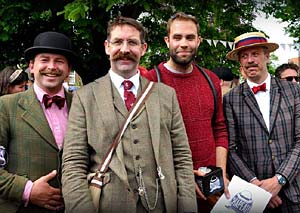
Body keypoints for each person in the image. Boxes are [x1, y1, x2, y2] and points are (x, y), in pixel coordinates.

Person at [61, 16, 197, 213]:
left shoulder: (166, 95)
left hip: (161, 205)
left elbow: (182, 158)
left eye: (132, 42)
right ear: (107, 47)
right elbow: (73, 164)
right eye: (117, 42)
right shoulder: (84, 97)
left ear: (143, 48)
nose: (124, 49)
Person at [141, 12, 229, 212]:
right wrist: (184, 176)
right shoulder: (150, 82)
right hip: (171, 187)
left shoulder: (211, 80)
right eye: (177, 37)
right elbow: (145, 142)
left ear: (198, 41)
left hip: (213, 187)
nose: (184, 43)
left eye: (190, 37)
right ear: (167, 41)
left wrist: (221, 172)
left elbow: (220, 129)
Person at [0, 31, 76, 212]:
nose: (52, 67)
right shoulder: (5, 106)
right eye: (44, 60)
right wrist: (28, 190)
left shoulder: (82, 106)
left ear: (68, 69)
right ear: (32, 67)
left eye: (59, 61)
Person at [224, 31, 300, 212]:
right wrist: (257, 187)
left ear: (267, 56)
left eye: (255, 54)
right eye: (244, 56)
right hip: (254, 197)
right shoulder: (230, 99)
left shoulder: (293, 91)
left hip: (293, 192)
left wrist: (279, 180)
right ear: (240, 62)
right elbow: (231, 149)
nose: (250, 60)